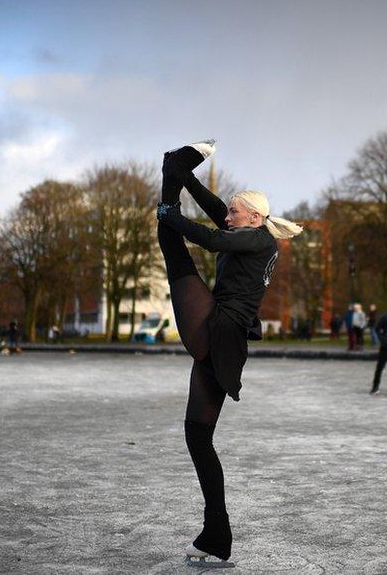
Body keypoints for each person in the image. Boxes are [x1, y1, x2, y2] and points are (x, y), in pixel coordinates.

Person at [156, 140, 302, 565]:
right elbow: (219, 212)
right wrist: (189, 180)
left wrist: (173, 214)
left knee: (175, 250)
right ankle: (216, 534)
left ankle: (171, 177)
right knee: (198, 435)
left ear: (255, 218)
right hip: (222, 342)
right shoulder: (250, 229)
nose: (229, 216)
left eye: (236, 212)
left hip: (220, 329)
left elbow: (215, 241)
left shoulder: (257, 240)